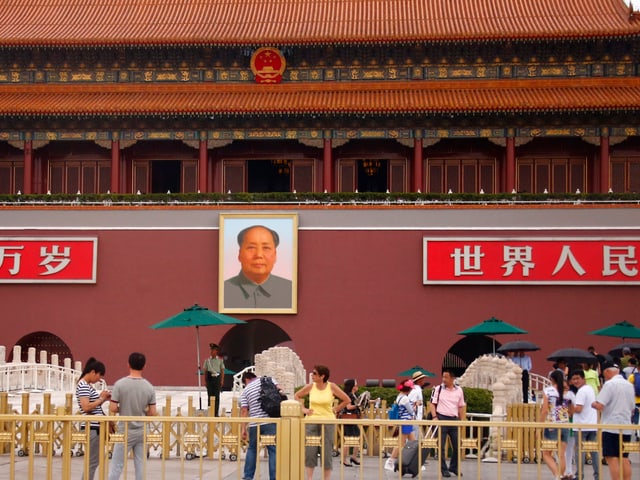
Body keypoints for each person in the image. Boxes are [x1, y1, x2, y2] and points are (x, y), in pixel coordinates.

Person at [294, 365, 350, 480]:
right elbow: (297, 395)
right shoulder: (311, 386)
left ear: (322, 376)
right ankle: (309, 478)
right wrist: (303, 409)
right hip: (311, 421)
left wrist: (336, 409)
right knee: (310, 451)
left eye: (314, 373)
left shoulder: (332, 386)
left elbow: (346, 400)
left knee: (326, 450)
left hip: (328, 421)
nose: (312, 375)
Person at [108, 352, 157, 480]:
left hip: (124, 429)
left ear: (128, 364)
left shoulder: (120, 384)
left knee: (117, 465)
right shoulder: (149, 387)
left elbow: (113, 408)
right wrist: (141, 411)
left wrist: (123, 408)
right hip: (142, 430)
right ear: (144, 366)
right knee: (140, 465)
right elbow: (152, 412)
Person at [224, 225, 292, 309]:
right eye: (251, 248)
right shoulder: (223, 291)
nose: (259, 255)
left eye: (266, 248)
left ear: (275, 255)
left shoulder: (291, 291)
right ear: (240, 254)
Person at [592, 360, 635, 480]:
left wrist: (593, 404)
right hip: (626, 427)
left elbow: (600, 405)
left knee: (612, 458)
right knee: (624, 458)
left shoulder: (609, 384)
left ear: (607, 372)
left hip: (611, 426)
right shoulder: (629, 385)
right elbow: (632, 407)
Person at [76, 358, 111, 480]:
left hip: (95, 426)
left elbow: (92, 406)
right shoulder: (84, 386)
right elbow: (86, 407)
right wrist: (101, 398)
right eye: (99, 375)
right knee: (92, 462)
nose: (99, 379)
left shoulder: (86, 386)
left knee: (95, 460)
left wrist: (102, 398)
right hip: (92, 427)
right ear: (92, 372)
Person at [239, 371, 277, 480]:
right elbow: (280, 392)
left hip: (254, 424)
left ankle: (248, 477)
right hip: (269, 421)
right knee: (272, 450)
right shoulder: (269, 380)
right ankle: (274, 477)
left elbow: (244, 411)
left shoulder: (246, 390)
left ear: (246, 380)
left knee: (252, 449)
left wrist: (243, 429)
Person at [429, 368, 466, 478]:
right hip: (441, 418)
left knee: (457, 445)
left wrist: (462, 420)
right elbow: (432, 403)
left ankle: (453, 467)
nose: (444, 379)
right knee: (441, 446)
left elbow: (461, 406)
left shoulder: (459, 390)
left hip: (454, 419)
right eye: (443, 377)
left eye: (446, 377)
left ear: (452, 378)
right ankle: (443, 469)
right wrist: (435, 417)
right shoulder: (438, 389)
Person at [540, 369, 572, 480]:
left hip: (552, 425)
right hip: (565, 424)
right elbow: (570, 411)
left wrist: (540, 425)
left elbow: (544, 410)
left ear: (551, 379)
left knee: (546, 453)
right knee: (561, 454)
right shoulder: (568, 392)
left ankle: (558, 476)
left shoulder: (548, 391)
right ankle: (561, 475)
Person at [570, 369, 599, 480]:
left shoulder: (581, 391)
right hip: (592, 424)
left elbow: (578, 409)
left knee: (579, 452)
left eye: (578, 378)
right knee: (594, 451)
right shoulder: (590, 389)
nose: (576, 381)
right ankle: (597, 475)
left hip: (581, 426)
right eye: (573, 379)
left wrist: (569, 408)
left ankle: (579, 476)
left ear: (583, 379)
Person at [384, 379, 416, 471]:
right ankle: (390, 461)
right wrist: (415, 406)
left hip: (405, 422)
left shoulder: (400, 396)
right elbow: (411, 411)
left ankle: (415, 462)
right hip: (406, 422)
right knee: (401, 443)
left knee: (413, 442)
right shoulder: (405, 398)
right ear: (409, 389)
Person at [339, 379, 361, 467]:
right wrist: (358, 405)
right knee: (348, 439)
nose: (357, 386)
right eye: (356, 385)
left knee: (357, 437)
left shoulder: (354, 395)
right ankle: (344, 459)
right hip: (349, 418)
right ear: (352, 386)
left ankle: (354, 456)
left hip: (353, 418)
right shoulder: (349, 395)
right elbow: (348, 407)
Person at [202, 343, 225, 416]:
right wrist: (205, 381)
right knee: (210, 396)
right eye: (211, 350)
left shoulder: (220, 361)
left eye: (213, 350)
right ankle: (210, 413)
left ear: (216, 351)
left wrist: (221, 380)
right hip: (210, 379)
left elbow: (222, 371)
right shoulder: (207, 361)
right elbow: (205, 372)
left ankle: (216, 413)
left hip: (217, 379)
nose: (212, 352)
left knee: (216, 397)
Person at [408, 370, 430, 436]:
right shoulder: (415, 391)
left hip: (416, 419)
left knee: (416, 440)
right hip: (414, 420)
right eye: (423, 379)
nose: (424, 380)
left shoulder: (417, 390)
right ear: (419, 380)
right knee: (414, 441)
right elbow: (410, 404)